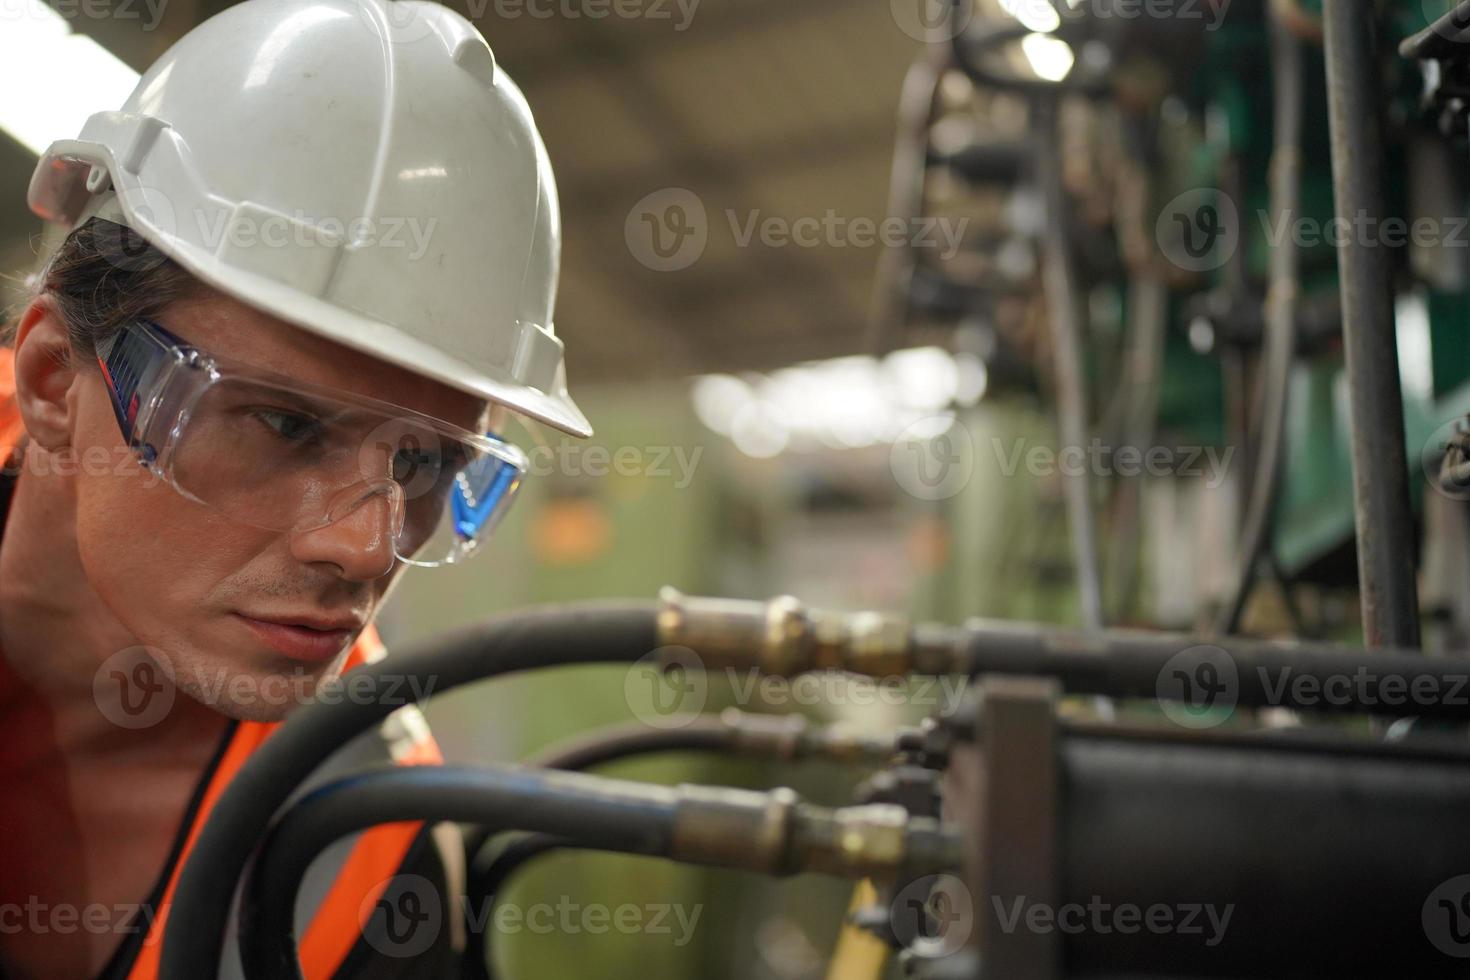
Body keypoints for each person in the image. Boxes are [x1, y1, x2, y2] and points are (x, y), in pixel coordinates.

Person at [0, 0, 590, 976]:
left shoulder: (368, 857)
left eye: (429, 461)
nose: (365, 547)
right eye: (284, 423)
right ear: (60, 382)